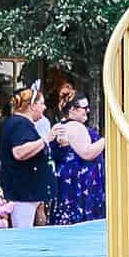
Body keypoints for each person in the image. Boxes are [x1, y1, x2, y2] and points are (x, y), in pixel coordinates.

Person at [0, 88, 58, 228]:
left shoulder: (22, 124)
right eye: (41, 103)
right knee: (23, 232)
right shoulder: (20, 124)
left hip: (28, 192)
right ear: (32, 105)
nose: (44, 107)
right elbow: (19, 152)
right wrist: (45, 140)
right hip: (22, 193)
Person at [50, 93, 107, 224]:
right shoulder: (75, 127)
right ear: (72, 110)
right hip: (79, 185)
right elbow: (86, 153)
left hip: (70, 183)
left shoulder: (62, 126)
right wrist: (106, 139)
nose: (87, 110)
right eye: (84, 107)